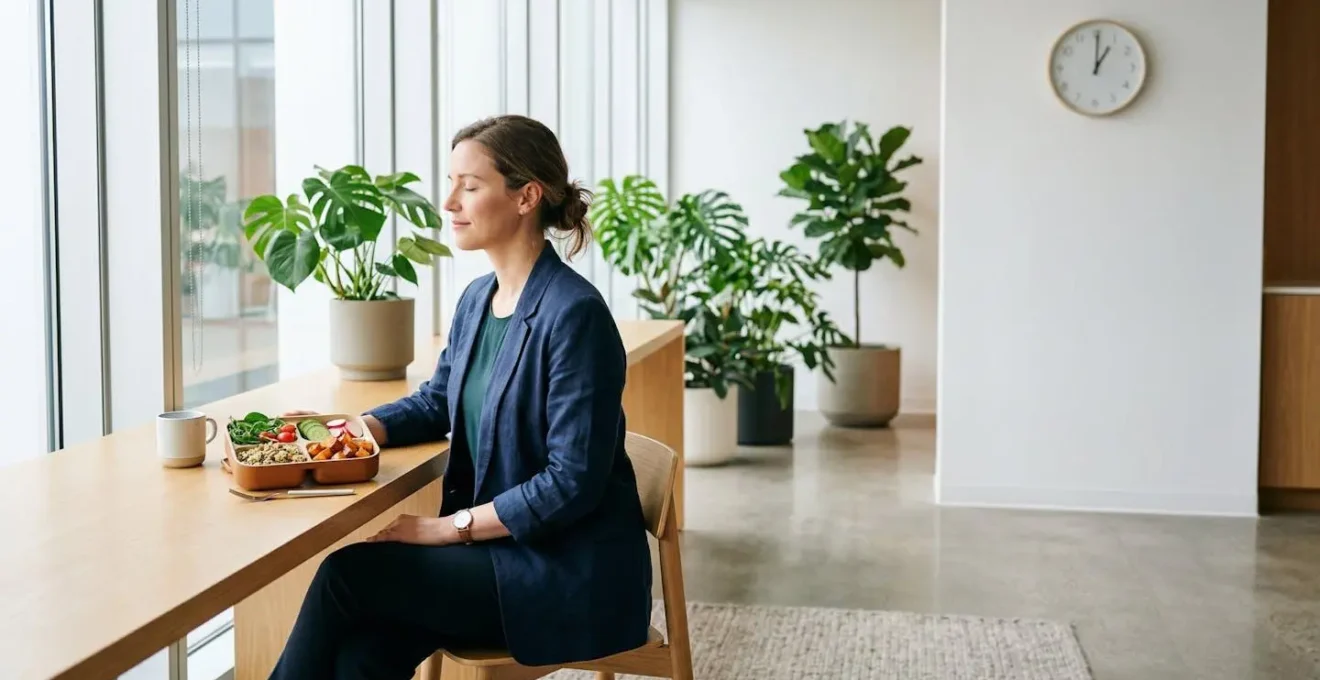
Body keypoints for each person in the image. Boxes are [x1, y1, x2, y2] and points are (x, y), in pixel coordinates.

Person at [268, 114, 653, 680]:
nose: (449, 202)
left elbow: (572, 481)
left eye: (469, 186)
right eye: (451, 183)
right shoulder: (479, 298)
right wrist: (352, 429)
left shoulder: (576, 316)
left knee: (345, 576)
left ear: (527, 197)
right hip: (499, 556)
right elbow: (439, 401)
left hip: (564, 573)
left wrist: (446, 529)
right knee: (361, 658)